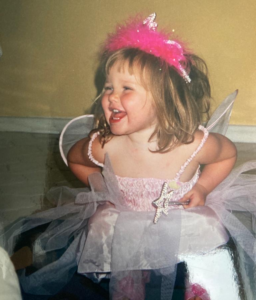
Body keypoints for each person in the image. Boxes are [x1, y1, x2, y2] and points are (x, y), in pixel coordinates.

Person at [1, 13, 256, 300]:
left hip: (183, 222)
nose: (110, 96)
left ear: (164, 99)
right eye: (108, 87)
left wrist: (203, 187)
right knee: (119, 270)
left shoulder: (191, 143)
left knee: (204, 268)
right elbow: (75, 159)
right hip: (125, 224)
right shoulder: (106, 145)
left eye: (126, 89)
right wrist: (101, 186)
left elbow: (227, 155)